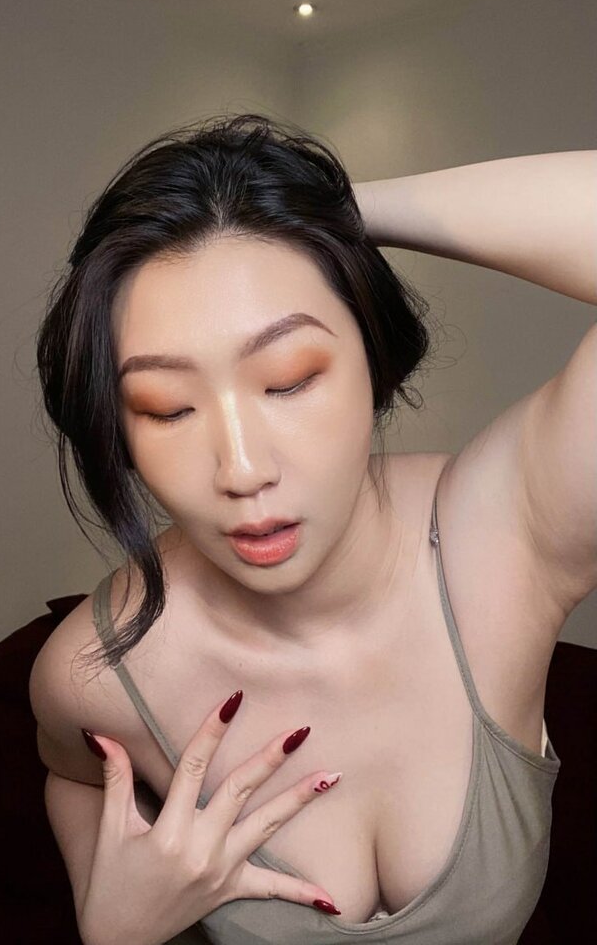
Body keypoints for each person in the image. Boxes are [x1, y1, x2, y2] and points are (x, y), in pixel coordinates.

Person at [29, 114, 596, 945]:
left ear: (374, 355)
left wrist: (315, 213)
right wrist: (111, 925)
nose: (241, 468)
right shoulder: (95, 673)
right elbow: (73, 775)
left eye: (289, 380)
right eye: (167, 408)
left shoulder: (506, 532)